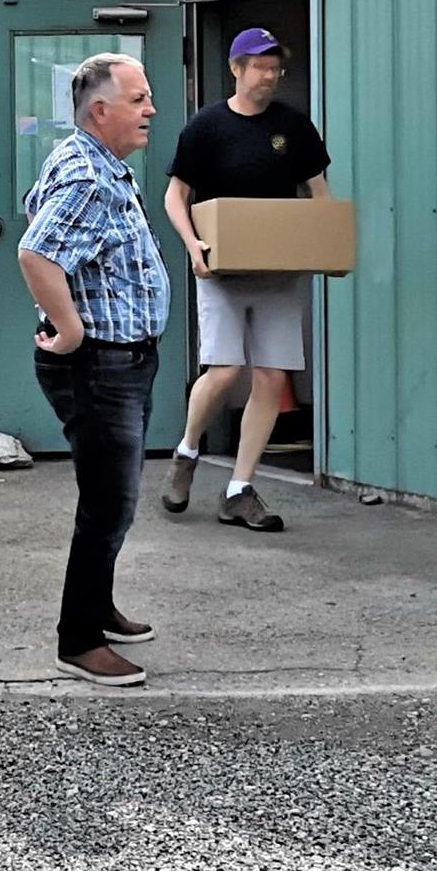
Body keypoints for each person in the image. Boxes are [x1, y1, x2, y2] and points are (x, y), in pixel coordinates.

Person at [18, 52, 169, 688]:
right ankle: (77, 639)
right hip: (97, 363)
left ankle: (97, 605)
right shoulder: (89, 175)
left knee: (114, 496)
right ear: (99, 111)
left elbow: (36, 213)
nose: (151, 110)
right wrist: (74, 327)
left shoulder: (95, 162)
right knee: (109, 503)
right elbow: (38, 252)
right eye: (139, 100)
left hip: (123, 360)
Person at [160, 29, 332, 532]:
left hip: (277, 272)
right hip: (221, 271)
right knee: (224, 370)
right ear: (236, 68)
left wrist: (324, 243)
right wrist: (194, 246)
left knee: (274, 375)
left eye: (276, 67)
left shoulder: (293, 127)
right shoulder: (206, 127)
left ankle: (239, 488)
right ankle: (188, 450)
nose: (270, 75)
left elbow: (319, 193)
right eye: (260, 66)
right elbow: (177, 195)